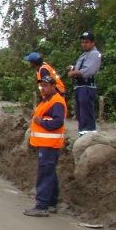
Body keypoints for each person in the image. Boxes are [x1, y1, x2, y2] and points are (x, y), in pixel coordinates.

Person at [23, 75, 67, 217]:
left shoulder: (56, 102)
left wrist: (40, 121)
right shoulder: (47, 100)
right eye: (42, 85)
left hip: (50, 144)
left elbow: (58, 122)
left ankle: (42, 206)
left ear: (54, 86)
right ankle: (51, 203)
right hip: (46, 144)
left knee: (45, 174)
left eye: (46, 85)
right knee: (50, 173)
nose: (43, 88)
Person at [67, 31, 102, 135]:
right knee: (80, 114)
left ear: (93, 43)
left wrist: (73, 73)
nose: (84, 44)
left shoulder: (95, 54)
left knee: (86, 113)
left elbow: (88, 71)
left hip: (87, 87)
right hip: (79, 87)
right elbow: (79, 69)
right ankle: (83, 134)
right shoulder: (84, 55)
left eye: (86, 42)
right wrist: (73, 69)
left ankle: (89, 135)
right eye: (82, 42)